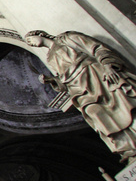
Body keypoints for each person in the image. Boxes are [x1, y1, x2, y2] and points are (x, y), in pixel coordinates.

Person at [25, 30, 136, 162]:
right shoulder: (49, 58)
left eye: (30, 40)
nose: (31, 44)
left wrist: (107, 65)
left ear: (39, 34)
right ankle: (128, 147)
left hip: (95, 75)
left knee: (122, 103)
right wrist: (52, 80)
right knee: (94, 112)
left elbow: (95, 48)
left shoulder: (66, 38)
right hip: (79, 88)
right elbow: (64, 81)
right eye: (29, 43)